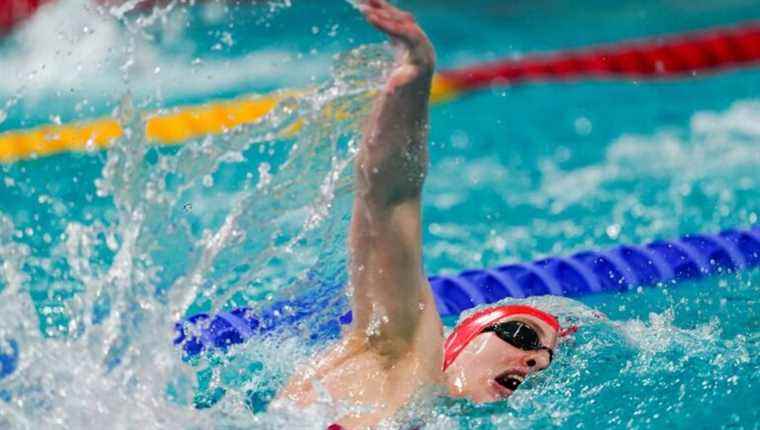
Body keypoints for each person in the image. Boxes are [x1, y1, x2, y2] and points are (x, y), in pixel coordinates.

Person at [275, 1, 561, 427]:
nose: (535, 359)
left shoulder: (415, 403)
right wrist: (415, 77)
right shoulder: (398, 353)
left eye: (544, 357)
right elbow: (388, 200)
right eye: (521, 335)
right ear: (455, 341)